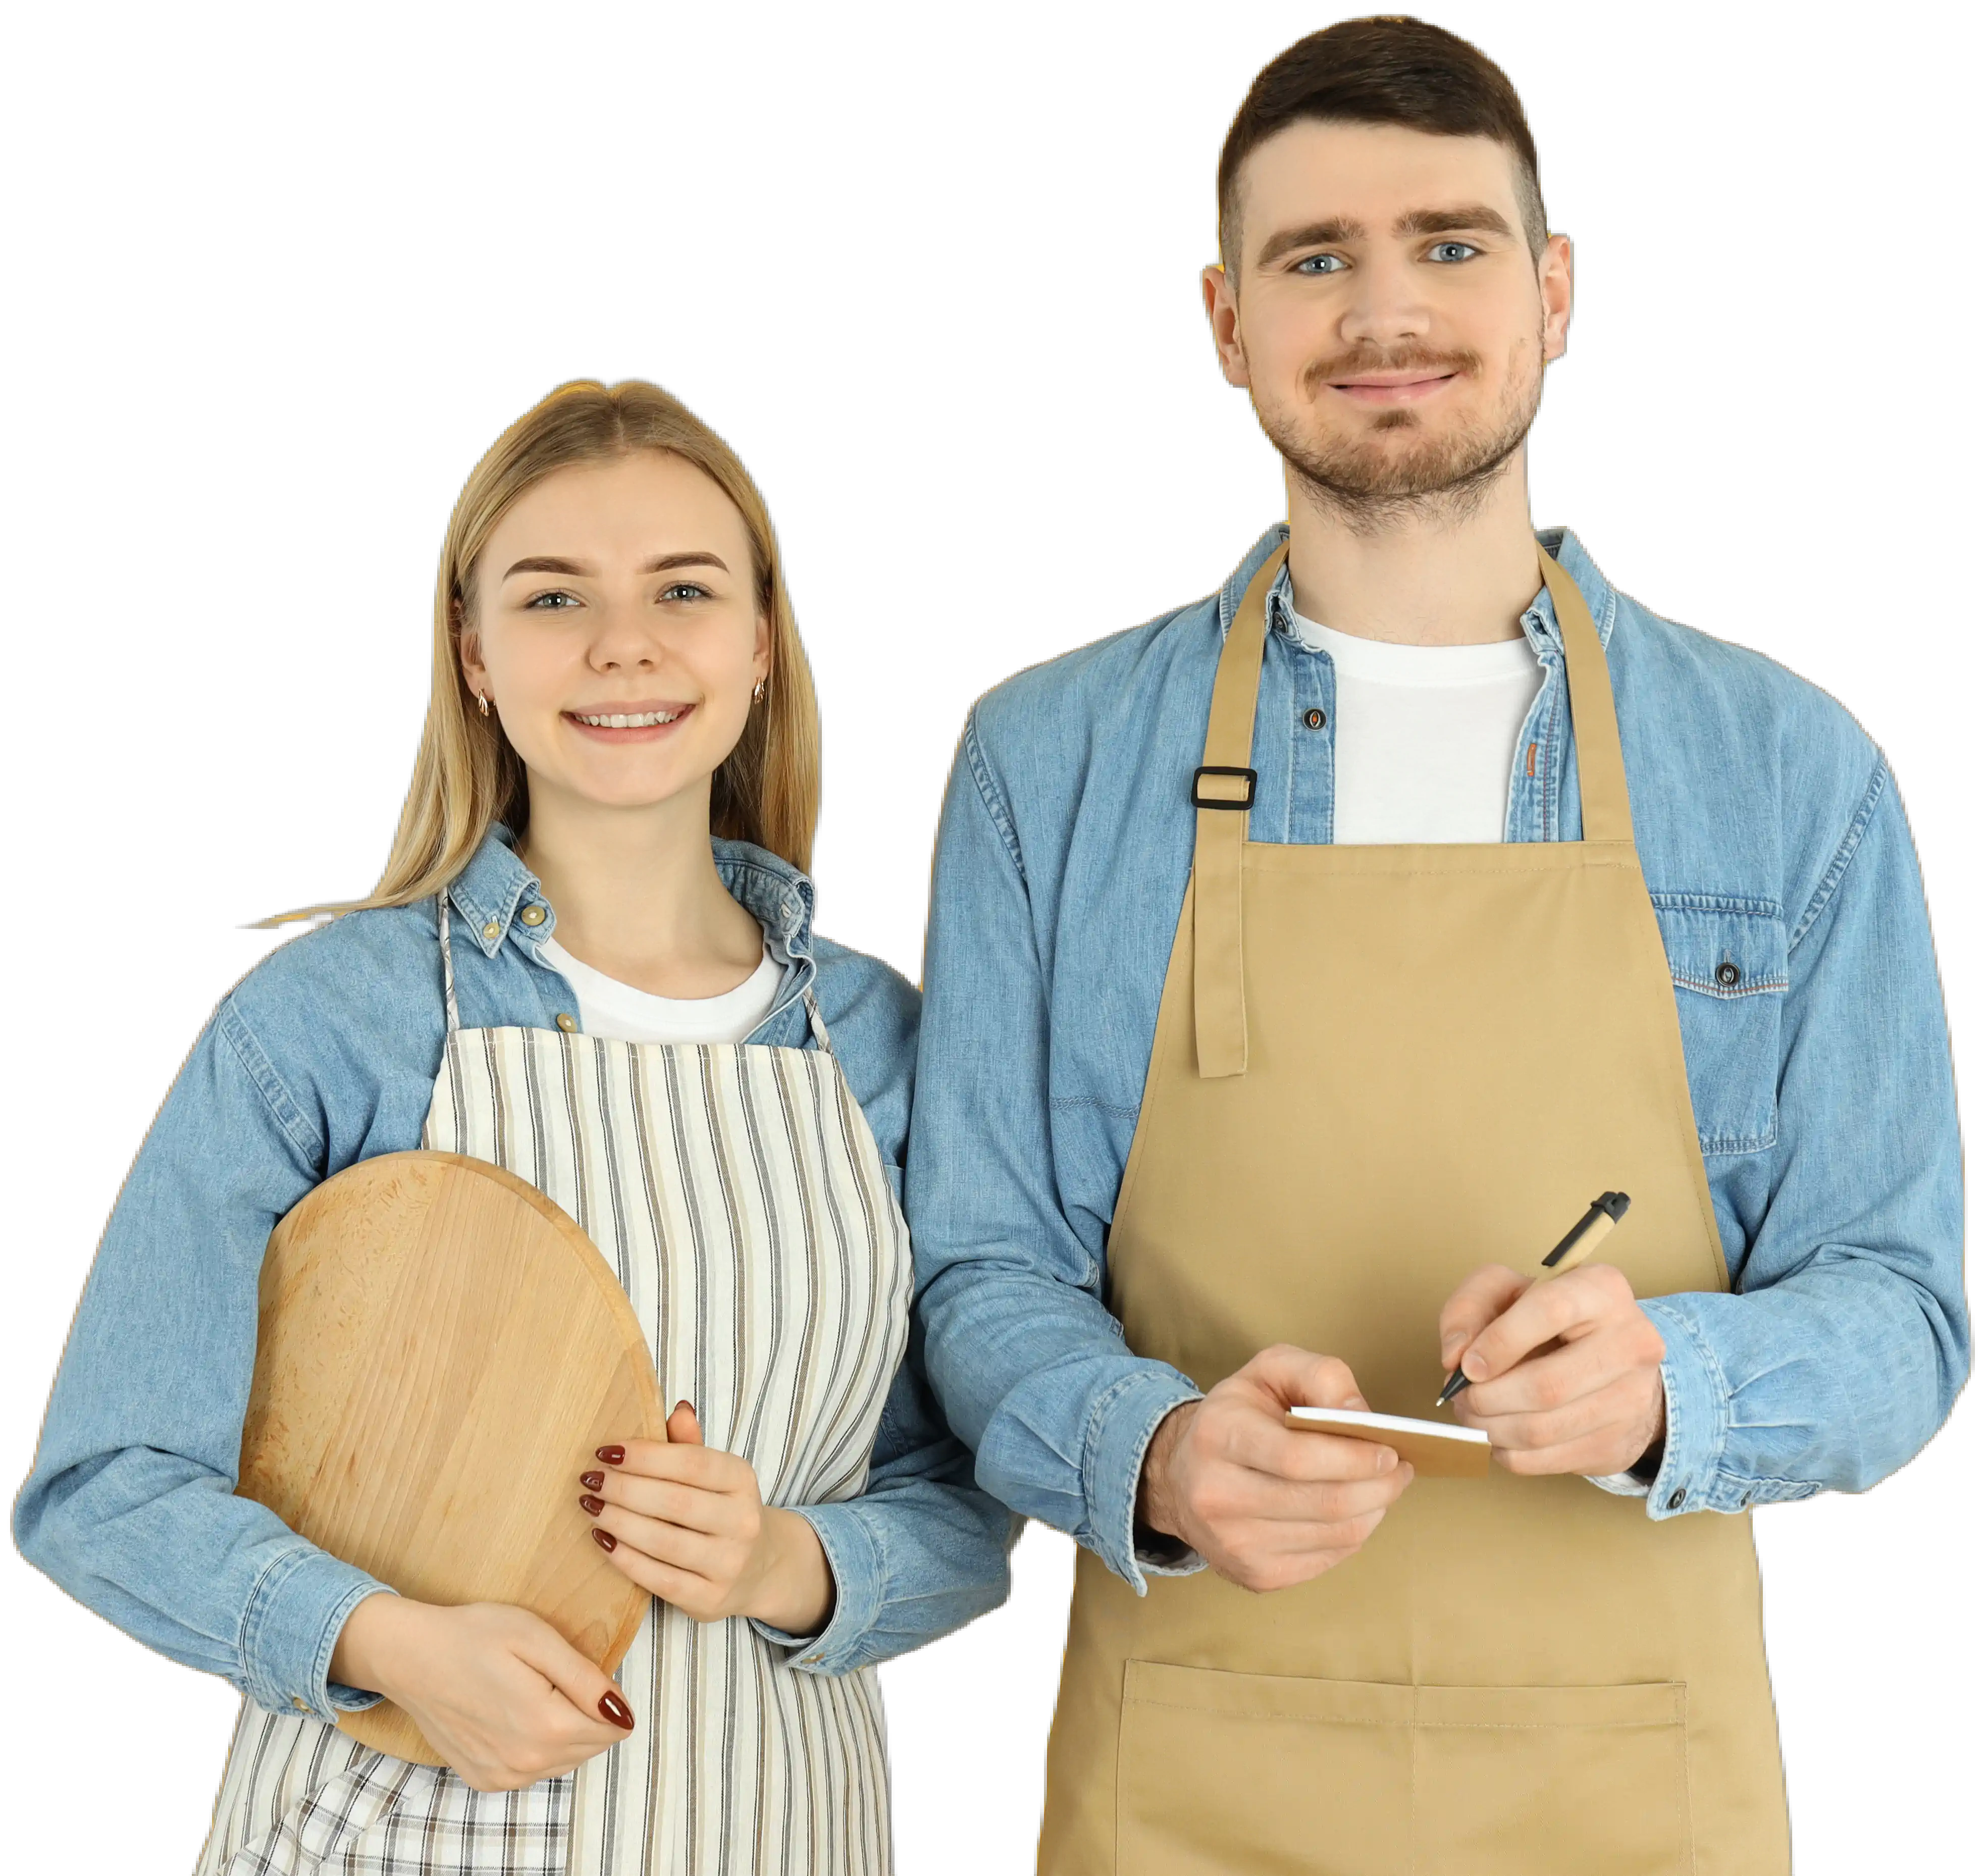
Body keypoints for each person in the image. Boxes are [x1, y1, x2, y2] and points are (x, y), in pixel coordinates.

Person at [906, 18, 1966, 1874]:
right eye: (1314, 258)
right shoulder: (1042, 759)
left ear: (1553, 295)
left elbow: (1901, 1307)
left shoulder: (1788, 768)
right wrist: (1147, 1449)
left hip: (1635, 1783)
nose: (1384, 308)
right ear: (1228, 322)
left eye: (1450, 244)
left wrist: (1670, 1389)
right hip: (1193, 1770)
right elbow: (980, 1272)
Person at [15, 380, 1013, 1874]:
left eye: (683, 588)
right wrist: (386, 1641)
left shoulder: (886, 1045)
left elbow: (969, 1498)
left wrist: (785, 1559)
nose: (623, 644)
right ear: (475, 655)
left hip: (771, 1826)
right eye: (554, 598)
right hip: (385, 1835)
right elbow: (104, 1484)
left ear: (758, 643)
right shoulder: (329, 1021)